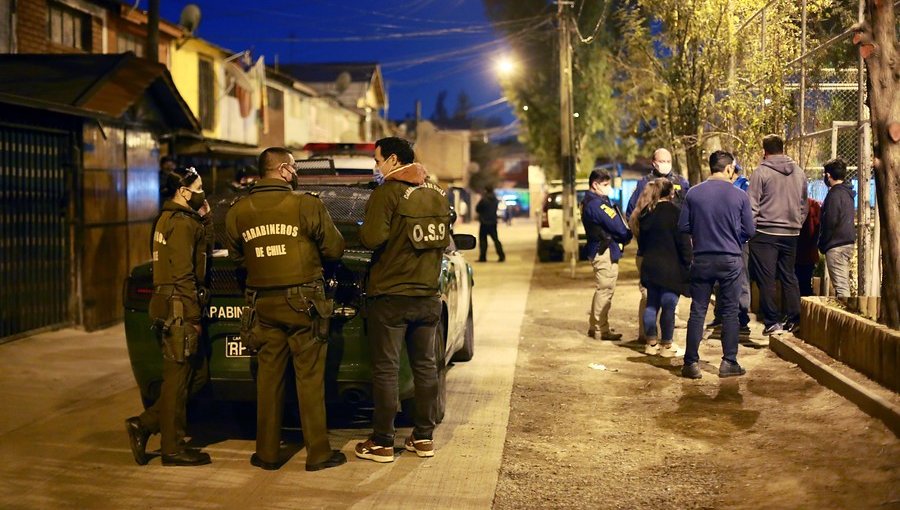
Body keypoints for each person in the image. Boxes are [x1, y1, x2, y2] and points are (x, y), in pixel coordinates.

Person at [225, 147, 347, 472]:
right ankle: (318, 453)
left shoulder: (238, 210)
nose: (295, 172)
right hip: (304, 303)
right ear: (281, 169)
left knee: (268, 379)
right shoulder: (305, 204)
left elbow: (237, 257)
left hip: (261, 304)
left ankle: (266, 453)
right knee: (309, 379)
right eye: (293, 167)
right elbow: (334, 247)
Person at [355, 137, 450, 463]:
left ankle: (382, 441)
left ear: (393, 160)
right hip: (427, 297)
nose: (376, 166)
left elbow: (372, 238)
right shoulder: (436, 194)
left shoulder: (387, 193)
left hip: (391, 296)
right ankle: (423, 438)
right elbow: (444, 241)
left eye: (378, 160)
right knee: (426, 368)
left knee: (386, 370)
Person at [125, 166, 213, 466]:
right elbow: (185, 273)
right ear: (183, 191)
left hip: (167, 305)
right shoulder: (182, 224)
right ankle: (172, 449)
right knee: (177, 380)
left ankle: (146, 424)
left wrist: (205, 218)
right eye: (198, 186)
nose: (202, 191)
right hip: (178, 309)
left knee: (195, 376)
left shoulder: (166, 218)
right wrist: (193, 316)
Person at [678, 151, 755, 379]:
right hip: (730, 259)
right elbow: (750, 230)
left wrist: (702, 233)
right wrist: (733, 238)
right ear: (729, 168)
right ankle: (728, 362)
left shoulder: (693, 193)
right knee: (730, 310)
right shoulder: (739, 196)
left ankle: (691, 363)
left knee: (698, 310)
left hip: (702, 258)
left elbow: (683, 227)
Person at [748, 134, 808, 335]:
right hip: (791, 233)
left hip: (765, 232)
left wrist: (750, 230)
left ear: (764, 151)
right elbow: (804, 204)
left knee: (766, 279)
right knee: (788, 275)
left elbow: (752, 206)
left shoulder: (761, 172)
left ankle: (772, 322)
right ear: (783, 148)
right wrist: (796, 223)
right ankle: (795, 318)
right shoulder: (799, 172)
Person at [635, 179, 691, 356]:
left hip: (650, 266)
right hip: (670, 267)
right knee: (669, 304)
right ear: (671, 193)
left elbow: (641, 243)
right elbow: (683, 242)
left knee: (651, 304)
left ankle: (651, 343)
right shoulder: (676, 212)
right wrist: (688, 261)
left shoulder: (646, 212)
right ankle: (667, 344)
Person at [582, 169, 632, 341]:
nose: (608, 188)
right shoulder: (597, 204)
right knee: (605, 289)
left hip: (601, 250)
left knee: (603, 289)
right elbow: (617, 226)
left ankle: (596, 326)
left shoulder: (593, 201)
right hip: (603, 251)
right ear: (595, 184)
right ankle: (599, 329)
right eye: (605, 185)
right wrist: (626, 235)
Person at [708, 161, 752, 334]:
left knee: (741, 281)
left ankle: (742, 319)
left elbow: (746, 218)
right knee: (719, 281)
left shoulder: (743, 185)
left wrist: (739, 237)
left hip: (738, 243)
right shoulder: (722, 186)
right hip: (721, 240)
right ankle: (720, 316)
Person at [818, 157, 856, 298]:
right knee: (843, 282)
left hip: (836, 245)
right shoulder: (848, 193)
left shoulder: (834, 194)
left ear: (828, 175)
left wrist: (822, 243)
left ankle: (846, 315)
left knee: (841, 288)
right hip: (847, 243)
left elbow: (830, 221)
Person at [626, 148, 690, 219]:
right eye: (662, 161)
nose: (665, 164)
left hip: (675, 226)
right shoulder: (645, 183)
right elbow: (632, 211)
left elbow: (689, 206)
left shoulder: (681, 182)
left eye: (668, 161)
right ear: (654, 163)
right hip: (652, 225)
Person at [796, 197, 822, 296]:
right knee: (805, 282)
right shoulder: (813, 204)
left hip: (799, 250)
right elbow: (818, 226)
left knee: (798, 282)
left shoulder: (812, 205)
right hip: (808, 250)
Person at [476, 186, 505, 262]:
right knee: (496, 240)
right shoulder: (495, 200)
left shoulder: (483, 199)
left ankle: (483, 257)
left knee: (483, 240)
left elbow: (477, 209)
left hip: (484, 223)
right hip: (493, 222)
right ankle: (501, 256)